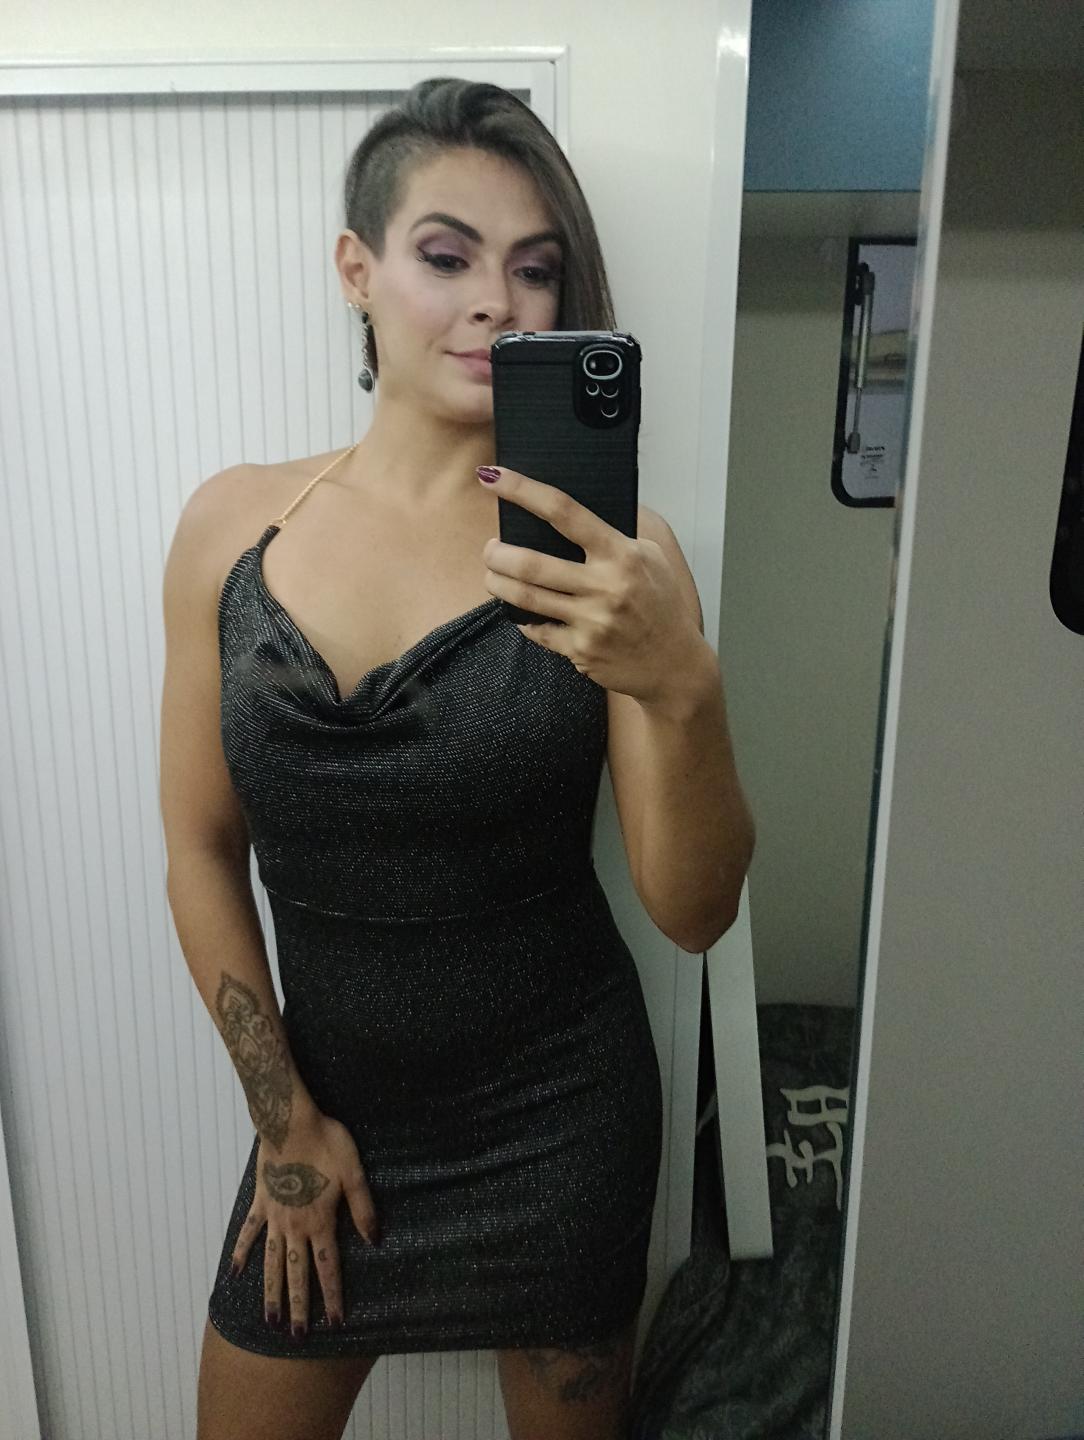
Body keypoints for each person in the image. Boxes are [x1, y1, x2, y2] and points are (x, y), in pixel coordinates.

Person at [159, 76, 754, 1440]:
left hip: (562, 1123)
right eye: (447, 256)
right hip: (325, 1115)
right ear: (357, 270)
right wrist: (282, 1124)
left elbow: (695, 909)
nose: (498, 302)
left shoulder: (618, 561)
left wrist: (683, 683)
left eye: (535, 269)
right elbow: (198, 846)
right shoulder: (232, 530)